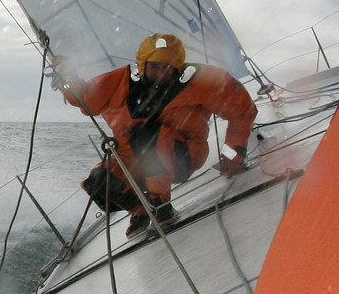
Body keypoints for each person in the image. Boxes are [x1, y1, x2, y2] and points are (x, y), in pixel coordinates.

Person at [57, 33, 257, 237]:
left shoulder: (201, 80)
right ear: (143, 65)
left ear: (178, 65)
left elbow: (242, 110)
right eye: (155, 67)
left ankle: (162, 208)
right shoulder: (122, 81)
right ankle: (142, 211)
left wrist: (234, 156)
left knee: (146, 138)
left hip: (184, 155)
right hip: (134, 159)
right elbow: (84, 98)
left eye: (168, 67)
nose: (162, 73)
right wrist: (67, 80)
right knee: (98, 182)